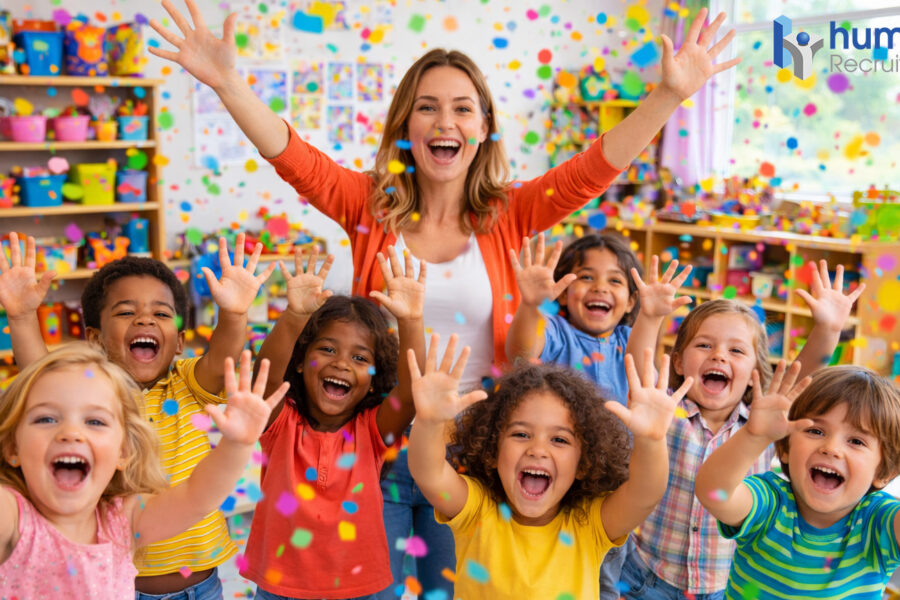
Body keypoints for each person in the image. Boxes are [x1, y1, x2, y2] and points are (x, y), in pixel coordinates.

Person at [149, 1, 739, 592]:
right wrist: (228, 82)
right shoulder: (367, 205)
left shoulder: (509, 212)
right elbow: (293, 157)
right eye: (426, 108)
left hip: (472, 455)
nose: (444, 122)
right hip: (373, 443)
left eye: (462, 108)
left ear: (483, 127)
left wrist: (668, 95)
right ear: (405, 126)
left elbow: (592, 169)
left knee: (452, 590)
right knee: (367, 587)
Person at [0, 231, 276, 597]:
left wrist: (235, 312)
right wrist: (21, 318)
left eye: (161, 314)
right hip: (126, 585)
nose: (145, 320)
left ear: (178, 342)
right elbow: (45, 389)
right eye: (127, 312)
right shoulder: (95, 394)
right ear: (95, 338)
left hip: (203, 583)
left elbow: (225, 355)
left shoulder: (188, 382)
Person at [617, 260, 865, 600]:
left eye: (736, 350)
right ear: (678, 361)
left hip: (726, 586)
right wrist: (650, 316)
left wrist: (828, 329)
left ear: (754, 374)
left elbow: (802, 376)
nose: (719, 356)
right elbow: (639, 368)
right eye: (704, 345)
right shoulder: (663, 411)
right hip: (644, 578)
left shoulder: (764, 425)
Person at [406, 332, 693, 598]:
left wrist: (652, 441)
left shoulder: (589, 522)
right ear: (492, 451)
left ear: (584, 463)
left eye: (559, 439)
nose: (538, 450)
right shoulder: (477, 509)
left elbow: (645, 494)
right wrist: (429, 423)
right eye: (521, 434)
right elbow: (429, 472)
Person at [0, 343, 288, 598]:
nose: (71, 433)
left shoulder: (120, 521)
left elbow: (196, 497)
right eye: (47, 418)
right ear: (13, 447)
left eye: (95, 422)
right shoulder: (13, 518)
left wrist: (236, 445)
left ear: (123, 453)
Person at [506, 234, 691, 598]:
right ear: (563, 291)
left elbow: (641, 369)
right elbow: (521, 352)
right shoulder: (557, 333)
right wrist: (530, 306)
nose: (599, 287)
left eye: (615, 280)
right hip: (548, 482)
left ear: (630, 301)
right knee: (535, 572)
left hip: (607, 491)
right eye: (586, 277)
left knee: (602, 579)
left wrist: (651, 317)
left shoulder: (627, 339)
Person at [242, 246, 425, 599]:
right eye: (327, 349)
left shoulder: (371, 432)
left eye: (359, 357)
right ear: (299, 360)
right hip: (282, 589)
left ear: (373, 379)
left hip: (366, 590)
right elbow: (262, 380)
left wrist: (411, 321)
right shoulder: (280, 424)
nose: (342, 364)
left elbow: (414, 392)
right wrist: (294, 316)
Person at [695, 364, 900, 599]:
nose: (831, 448)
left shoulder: (877, 522)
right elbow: (713, 493)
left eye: (856, 441)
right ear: (785, 448)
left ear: (884, 470)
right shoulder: (770, 503)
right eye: (815, 431)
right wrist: (754, 436)